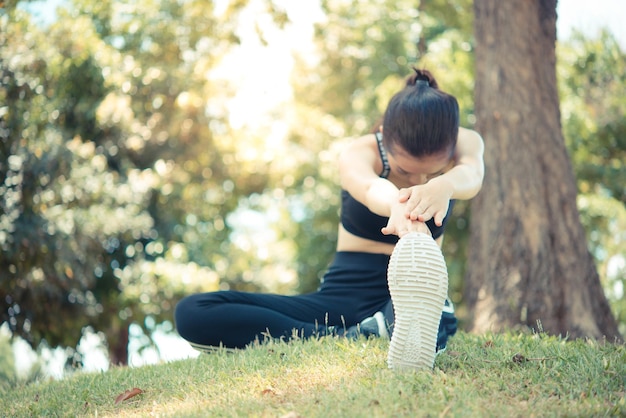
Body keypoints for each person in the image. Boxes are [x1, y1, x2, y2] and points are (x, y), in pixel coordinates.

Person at [174, 68, 485, 370]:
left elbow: (472, 174)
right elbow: (368, 186)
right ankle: (355, 335)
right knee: (193, 312)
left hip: (415, 287)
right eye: (405, 171)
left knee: (421, 310)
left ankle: (413, 321)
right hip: (344, 298)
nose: (419, 180)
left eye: (432, 171)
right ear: (385, 139)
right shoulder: (360, 151)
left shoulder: (465, 141)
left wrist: (443, 186)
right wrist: (397, 205)